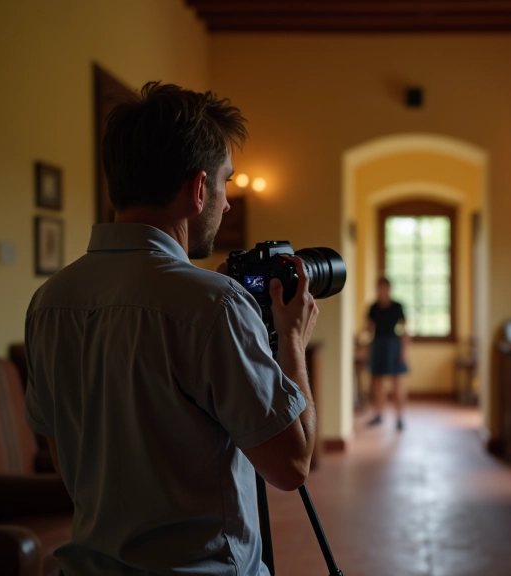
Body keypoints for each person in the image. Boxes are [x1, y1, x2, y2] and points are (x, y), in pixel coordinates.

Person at [23, 82, 319, 576]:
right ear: (199, 188)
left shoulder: (51, 301)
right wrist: (291, 340)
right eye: (225, 183)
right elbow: (292, 467)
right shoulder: (214, 305)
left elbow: (66, 458)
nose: (226, 204)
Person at [365, 277, 410, 430]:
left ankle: (399, 417)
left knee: (397, 383)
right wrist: (366, 349)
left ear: (389, 289)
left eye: (384, 288)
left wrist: (404, 351)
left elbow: (404, 331)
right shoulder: (373, 307)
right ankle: (379, 414)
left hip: (393, 345)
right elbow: (369, 330)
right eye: (379, 288)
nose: (382, 291)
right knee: (377, 383)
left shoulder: (397, 306)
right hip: (378, 345)